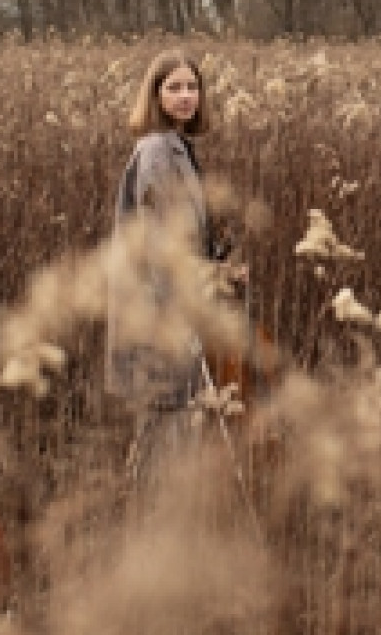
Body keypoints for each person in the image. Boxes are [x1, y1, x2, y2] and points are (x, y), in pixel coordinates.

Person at [113, 50, 248, 480]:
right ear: (155, 95)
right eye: (174, 88)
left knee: (171, 427)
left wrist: (218, 264)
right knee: (164, 432)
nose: (186, 96)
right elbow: (157, 243)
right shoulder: (156, 150)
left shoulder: (179, 149)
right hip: (161, 316)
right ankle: (149, 534)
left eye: (192, 87)